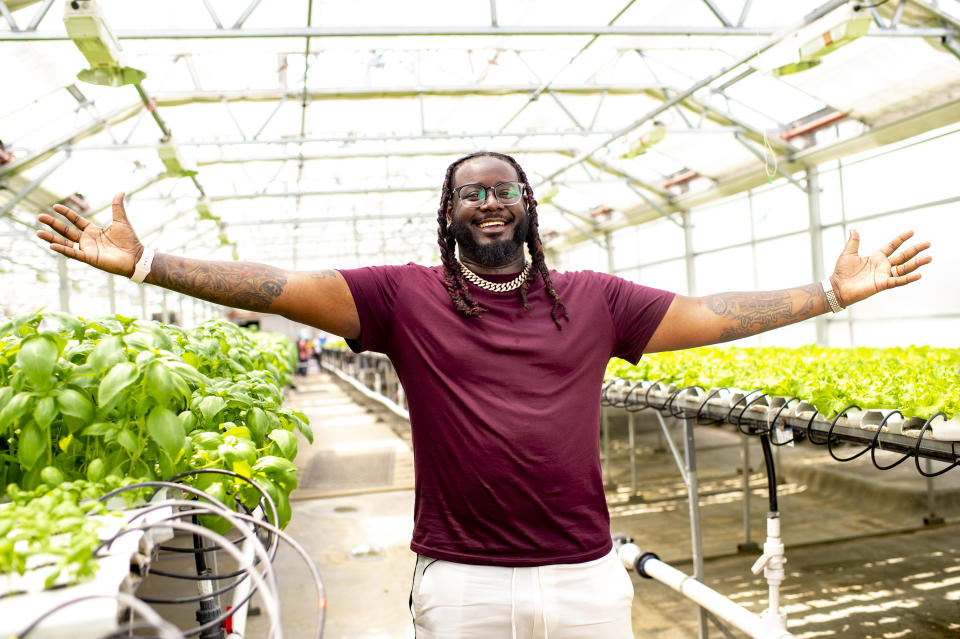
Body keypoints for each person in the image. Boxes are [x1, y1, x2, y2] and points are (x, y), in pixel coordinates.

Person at [37, 151, 931, 638]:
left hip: (583, 576)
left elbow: (708, 311)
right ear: (449, 211)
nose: (489, 203)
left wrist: (833, 295)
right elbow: (276, 283)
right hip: (460, 583)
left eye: (504, 190)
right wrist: (150, 263)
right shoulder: (400, 298)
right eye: (472, 194)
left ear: (529, 205)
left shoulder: (596, 300)